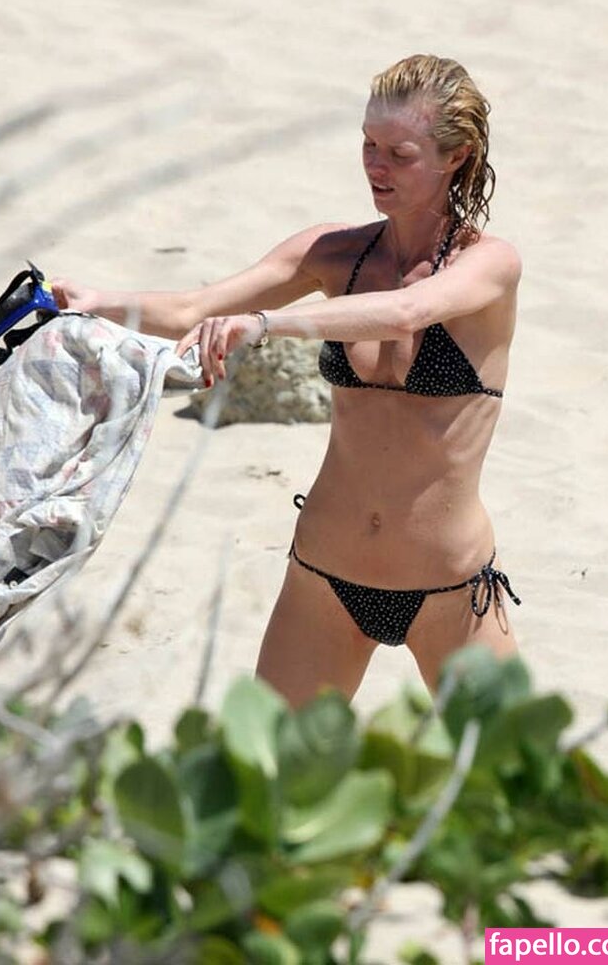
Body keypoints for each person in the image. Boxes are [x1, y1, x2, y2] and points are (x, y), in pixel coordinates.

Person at [53, 54, 523, 708]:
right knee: (263, 769)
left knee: (513, 770)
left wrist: (267, 325)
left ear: (456, 156)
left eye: (400, 154)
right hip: (324, 576)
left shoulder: (489, 265)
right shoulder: (334, 252)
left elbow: (407, 311)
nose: (377, 166)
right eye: (368, 145)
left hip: (449, 587)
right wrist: (93, 300)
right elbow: (193, 308)